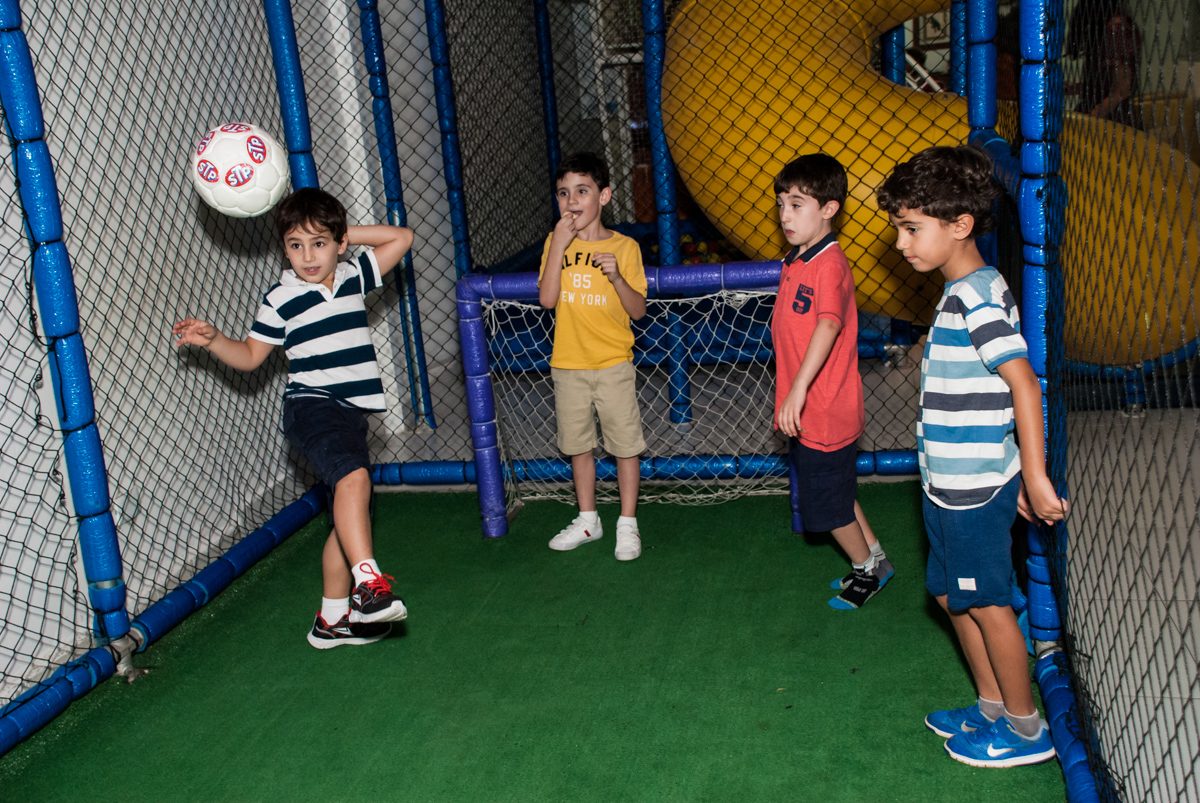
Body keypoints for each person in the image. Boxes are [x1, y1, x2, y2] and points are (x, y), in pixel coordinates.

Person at [876, 145, 1069, 767]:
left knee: (987, 603)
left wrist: (1032, 475)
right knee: (948, 594)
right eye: (899, 227)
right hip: (949, 483)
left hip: (971, 490)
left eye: (912, 228)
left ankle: (1026, 728)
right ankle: (991, 705)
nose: (901, 242)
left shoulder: (976, 298)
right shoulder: (962, 288)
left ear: (960, 225)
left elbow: (1023, 384)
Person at [173, 188, 414, 649]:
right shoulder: (281, 298)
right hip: (312, 406)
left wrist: (341, 234)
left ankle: (331, 621)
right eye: (295, 244)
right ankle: (369, 584)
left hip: (351, 414)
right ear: (283, 248)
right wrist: (215, 339)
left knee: (349, 518)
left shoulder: (353, 276)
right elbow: (250, 357)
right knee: (355, 481)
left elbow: (401, 238)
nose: (307, 256)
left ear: (339, 243)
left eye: (318, 243)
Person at [771, 153, 893, 610]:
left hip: (825, 410)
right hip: (810, 409)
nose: (785, 215)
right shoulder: (797, 259)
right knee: (839, 491)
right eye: (781, 204)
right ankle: (877, 560)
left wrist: (799, 389)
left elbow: (828, 324)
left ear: (829, 208)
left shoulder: (830, 265)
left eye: (797, 205)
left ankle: (865, 572)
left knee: (828, 506)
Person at [537, 152, 648, 561]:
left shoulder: (625, 247)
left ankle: (627, 523)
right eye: (563, 193)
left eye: (582, 191)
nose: (571, 201)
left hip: (613, 363)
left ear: (604, 196)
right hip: (568, 364)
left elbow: (638, 310)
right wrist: (558, 245)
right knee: (578, 445)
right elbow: (547, 299)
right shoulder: (556, 244)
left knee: (625, 447)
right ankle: (588, 519)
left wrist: (616, 276)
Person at [1066, 0, 1142, 126]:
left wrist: (1089, 119)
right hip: (1103, 119)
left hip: (1112, 123)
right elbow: (1105, 86)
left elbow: (1121, 91)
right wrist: (1075, 88)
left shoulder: (1117, 28)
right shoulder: (1105, 26)